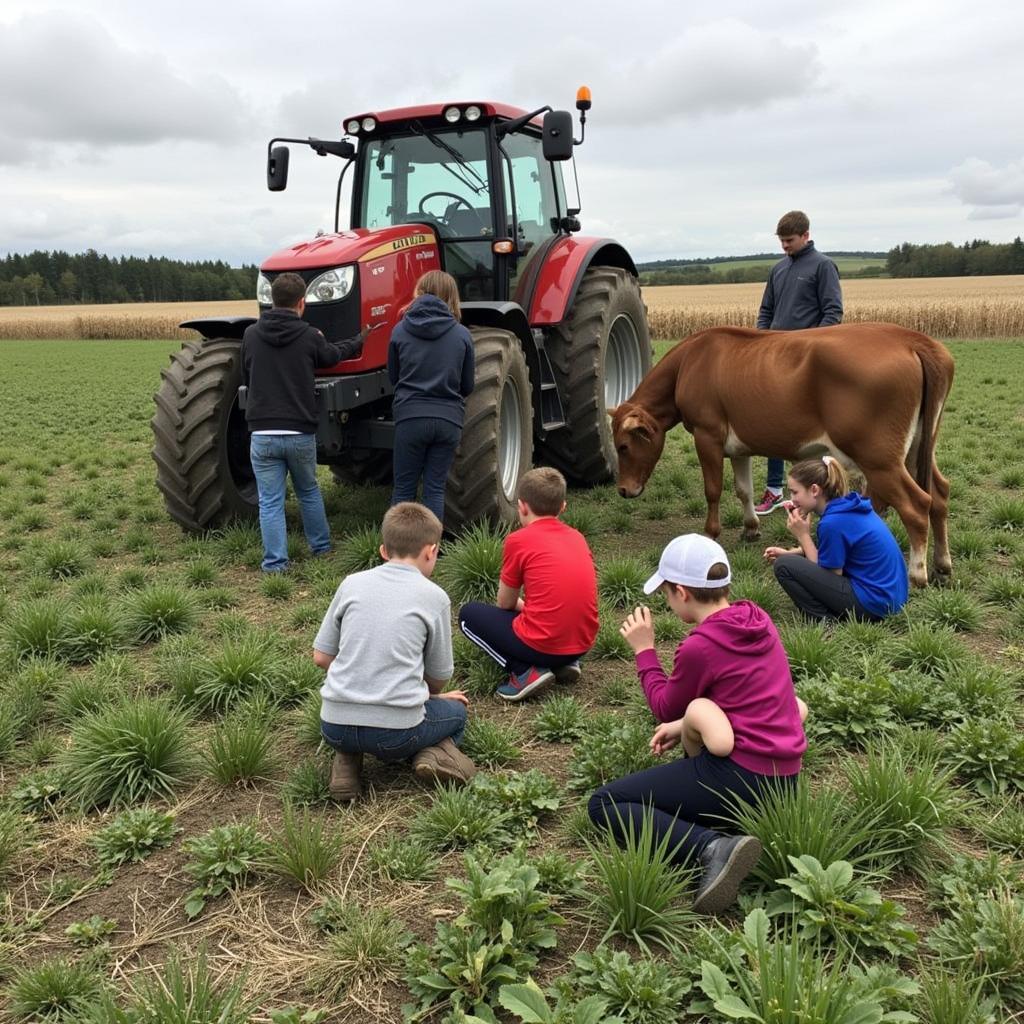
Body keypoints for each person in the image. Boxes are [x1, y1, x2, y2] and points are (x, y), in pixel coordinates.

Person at [588, 534, 807, 915]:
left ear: (682, 593)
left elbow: (664, 705)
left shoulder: (700, 646)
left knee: (605, 803)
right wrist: (681, 727)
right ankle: (727, 833)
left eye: (667, 595)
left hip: (742, 774)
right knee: (674, 801)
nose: (668, 603)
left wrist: (644, 651)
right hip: (785, 779)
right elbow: (741, 694)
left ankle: (712, 848)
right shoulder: (758, 619)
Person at [313, 502, 475, 802]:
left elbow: (321, 657)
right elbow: (438, 677)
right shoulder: (435, 597)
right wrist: (431, 695)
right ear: (432, 551)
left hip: (334, 725)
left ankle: (347, 761)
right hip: (395, 737)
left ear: (383, 551)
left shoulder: (351, 584)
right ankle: (429, 754)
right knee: (457, 713)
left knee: (351, 732)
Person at [241, 271, 373, 573]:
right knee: (308, 491)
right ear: (302, 303)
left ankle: (275, 563)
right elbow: (332, 357)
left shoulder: (250, 335)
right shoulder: (309, 336)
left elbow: (246, 375)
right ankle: (321, 548)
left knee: (270, 501)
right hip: (299, 431)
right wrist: (358, 340)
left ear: (272, 301)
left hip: (262, 433)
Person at [458, 467, 598, 703]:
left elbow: (504, 602)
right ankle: (565, 663)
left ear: (521, 506)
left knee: (467, 615)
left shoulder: (518, 540)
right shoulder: (577, 536)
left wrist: (524, 607)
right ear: (563, 507)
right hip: (582, 644)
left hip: (541, 645)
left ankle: (524, 671)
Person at [754, 210, 844, 516]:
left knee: (813, 430)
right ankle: (775, 489)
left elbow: (833, 313)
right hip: (775, 359)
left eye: (789, 240)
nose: (784, 246)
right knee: (772, 424)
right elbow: (766, 310)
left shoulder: (823, 266)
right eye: (781, 241)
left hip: (808, 362)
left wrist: (809, 346)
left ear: (806, 235)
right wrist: (762, 341)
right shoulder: (778, 270)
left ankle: (819, 493)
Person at [764, 456, 909, 622]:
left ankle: (825, 621)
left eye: (795, 492)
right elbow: (833, 550)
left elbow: (830, 574)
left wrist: (803, 536)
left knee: (784, 567)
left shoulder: (832, 523)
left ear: (814, 490)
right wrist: (791, 553)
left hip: (874, 606)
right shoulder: (847, 507)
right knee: (788, 560)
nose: (791, 499)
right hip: (892, 599)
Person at [388, 270, 475, 523]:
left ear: (419, 293)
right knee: (434, 489)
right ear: (451, 297)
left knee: (404, 488)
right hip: (448, 420)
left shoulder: (400, 331)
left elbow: (394, 377)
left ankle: (398, 553)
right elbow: (467, 385)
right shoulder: (462, 334)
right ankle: (431, 551)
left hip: (411, 417)